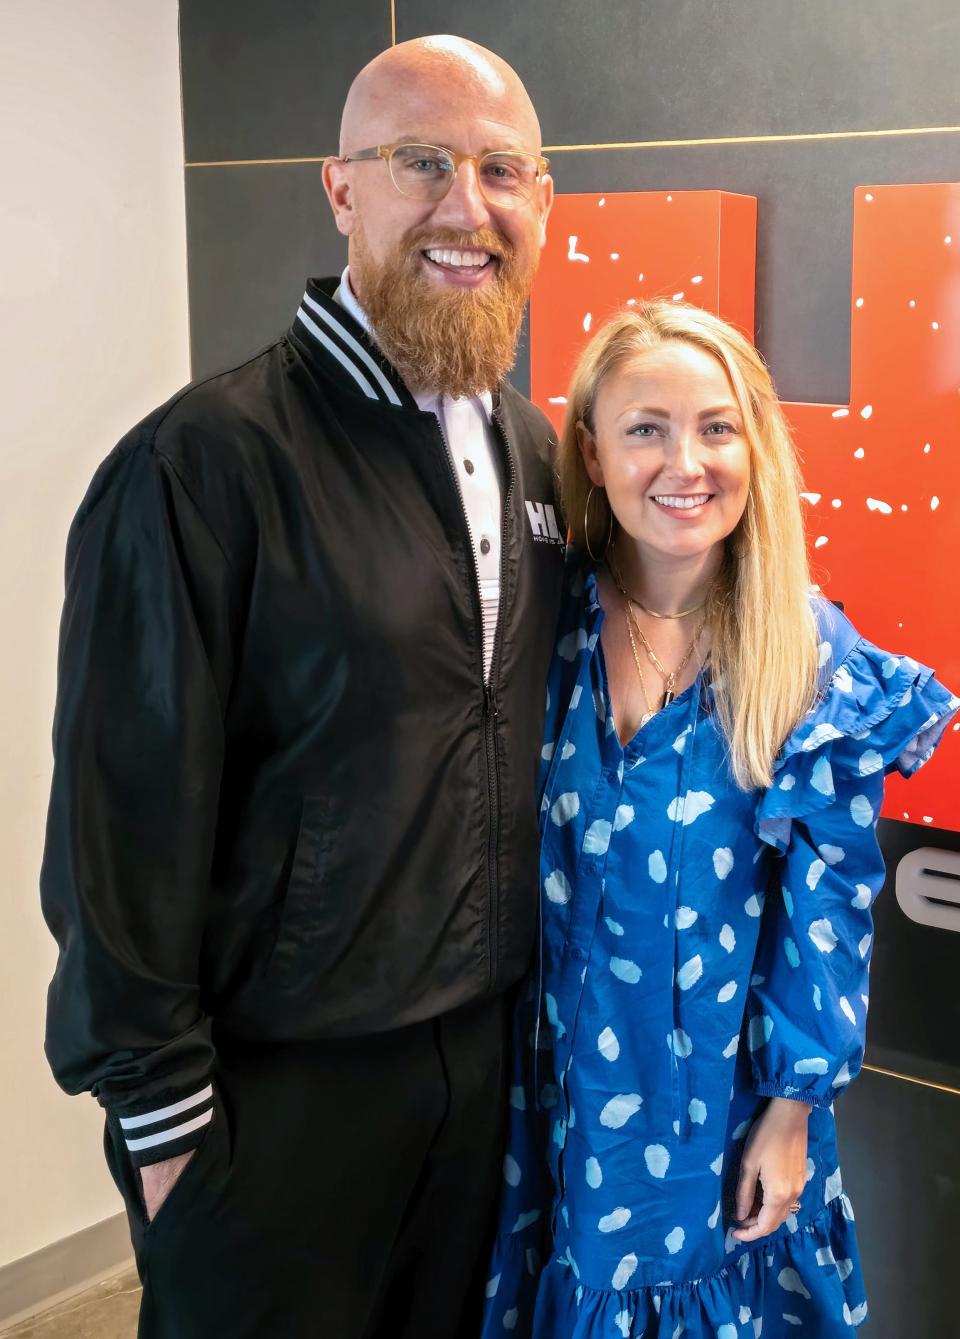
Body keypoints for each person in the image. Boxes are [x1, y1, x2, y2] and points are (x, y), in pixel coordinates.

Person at [40, 34, 562, 1339]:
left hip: (483, 1071)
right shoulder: (203, 463)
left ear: (542, 203)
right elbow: (118, 828)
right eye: (422, 163)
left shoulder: (536, 447)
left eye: (503, 170)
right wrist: (168, 1135)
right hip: (274, 1106)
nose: (467, 206)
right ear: (342, 191)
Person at [482, 303, 958, 1337]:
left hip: (721, 1117)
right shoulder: (536, 624)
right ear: (592, 451)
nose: (684, 461)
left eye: (716, 425)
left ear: (756, 447)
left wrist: (792, 1116)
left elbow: (829, 915)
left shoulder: (809, 659)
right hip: (546, 1101)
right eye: (646, 427)